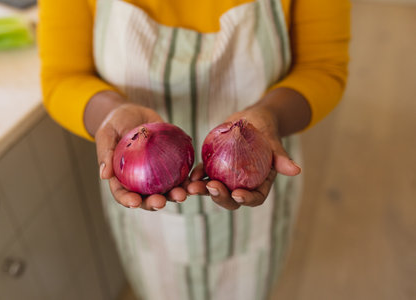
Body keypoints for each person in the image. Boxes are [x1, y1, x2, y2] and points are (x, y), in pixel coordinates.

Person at [39, 0, 350, 299]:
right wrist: (110, 115)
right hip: (143, 201)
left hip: (257, 175)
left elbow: (323, 68)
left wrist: (271, 116)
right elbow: (62, 77)